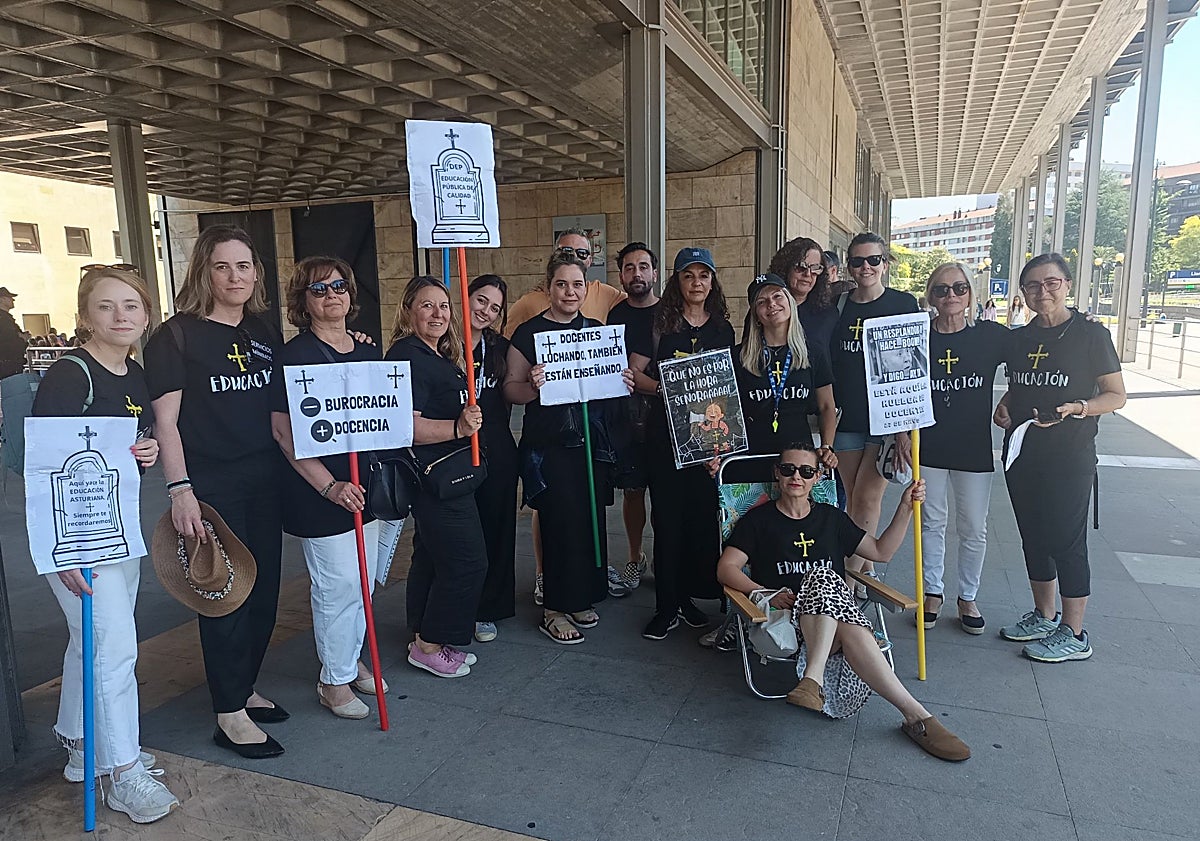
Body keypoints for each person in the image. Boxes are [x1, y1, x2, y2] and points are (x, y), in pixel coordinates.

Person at [33, 267, 181, 822]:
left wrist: (145, 452)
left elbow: (123, 450)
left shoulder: (133, 374)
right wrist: (64, 551)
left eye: (131, 306)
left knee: (90, 643)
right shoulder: (69, 376)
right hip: (77, 540)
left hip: (117, 528)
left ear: (146, 315)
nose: (121, 316)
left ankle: (81, 743)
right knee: (114, 648)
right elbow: (46, 470)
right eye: (106, 306)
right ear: (84, 316)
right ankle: (123, 770)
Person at [716, 444, 970, 762]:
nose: (797, 476)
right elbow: (726, 568)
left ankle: (825, 683)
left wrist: (905, 508)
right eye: (788, 469)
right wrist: (764, 592)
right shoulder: (759, 521)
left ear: (817, 477)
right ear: (776, 474)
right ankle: (916, 716)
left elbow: (881, 552)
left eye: (806, 471)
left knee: (828, 588)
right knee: (825, 581)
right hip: (787, 621)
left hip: (833, 623)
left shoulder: (831, 518)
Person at [146, 225, 287, 759]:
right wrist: (180, 490)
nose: (234, 277)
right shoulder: (176, 336)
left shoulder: (263, 331)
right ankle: (228, 714)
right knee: (224, 592)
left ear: (256, 273)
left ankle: (243, 688)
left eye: (243, 266)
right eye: (222, 266)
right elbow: (166, 423)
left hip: (265, 477)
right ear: (203, 271)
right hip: (211, 483)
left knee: (264, 590)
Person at [270, 256, 401, 719]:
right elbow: (284, 432)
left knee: (363, 580)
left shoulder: (367, 351)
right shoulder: (293, 356)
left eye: (339, 286)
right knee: (338, 584)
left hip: (366, 485)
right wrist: (329, 486)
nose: (332, 295)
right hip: (321, 491)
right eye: (319, 289)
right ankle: (333, 680)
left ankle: (348, 659)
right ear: (302, 301)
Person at [994, 253, 1126, 662]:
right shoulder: (1019, 338)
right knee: (1033, 536)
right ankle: (1044, 615)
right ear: (1023, 292)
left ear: (1067, 284)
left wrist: (1080, 408)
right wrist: (1005, 405)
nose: (1043, 292)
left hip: (1070, 454)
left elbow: (1116, 395)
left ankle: (1074, 631)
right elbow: (1021, 385)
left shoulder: (1090, 334)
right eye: (1033, 285)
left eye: (1051, 283)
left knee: (1066, 540)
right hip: (1022, 451)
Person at [505, 253, 634, 644]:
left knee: (588, 520)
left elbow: (609, 388)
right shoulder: (528, 333)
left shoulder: (596, 331)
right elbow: (511, 389)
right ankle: (554, 609)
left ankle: (580, 598)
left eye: (577, 284)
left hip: (590, 444)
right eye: (561, 284)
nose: (569, 292)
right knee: (559, 523)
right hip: (550, 445)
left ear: (586, 288)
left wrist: (623, 380)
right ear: (549, 288)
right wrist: (533, 386)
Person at [629, 247, 735, 640]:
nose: (696, 283)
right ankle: (665, 606)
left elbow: (727, 387)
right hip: (665, 438)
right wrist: (669, 391)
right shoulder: (658, 323)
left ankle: (687, 598)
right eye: (688, 275)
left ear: (712, 281)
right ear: (677, 281)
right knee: (668, 520)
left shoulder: (722, 328)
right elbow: (634, 375)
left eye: (703, 275)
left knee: (700, 521)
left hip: (709, 439)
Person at [385, 277, 487, 677]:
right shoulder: (409, 357)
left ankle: (423, 633)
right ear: (409, 310)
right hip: (436, 480)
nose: (438, 313)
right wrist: (458, 428)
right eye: (427, 305)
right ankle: (429, 645)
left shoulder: (433, 353)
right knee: (467, 562)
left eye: (443, 306)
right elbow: (404, 427)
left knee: (431, 558)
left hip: (443, 476)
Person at [920, 264, 1009, 633]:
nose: (951, 296)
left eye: (959, 288)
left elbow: (1030, 354)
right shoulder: (918, 335)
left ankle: (968, 596)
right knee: (931, 521)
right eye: (941, 289)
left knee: (973, 526)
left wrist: (1011, 400)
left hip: (972, 447)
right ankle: (932, 591)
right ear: (931, 295)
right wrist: (900, 434)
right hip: (928, 444)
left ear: (971, 293)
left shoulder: (989, 335)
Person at [830, 233, 918, 584]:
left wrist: (905, 429)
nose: (865, 267)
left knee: (867, 498)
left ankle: (847, 584)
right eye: (857, 261)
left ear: (885, 263)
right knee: (853, 498)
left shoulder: (903, 304)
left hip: (887, 418)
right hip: (846, 417)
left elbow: (913, 368)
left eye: (873, 260)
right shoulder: (837, 305)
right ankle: (866, 569)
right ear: (849, 265)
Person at [605, 242, 660, 597]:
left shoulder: (669, 312)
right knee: (633, 491)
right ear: (621, 275)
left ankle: (664, 557)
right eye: (629, 267)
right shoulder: (615, 315)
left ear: (655, 272)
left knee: (666, 495)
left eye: (642, 266)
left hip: (664, 416)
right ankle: (634, 556)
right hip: (627, 418)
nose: (636, 273)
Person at [466, 274, 518, 643]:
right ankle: (457, 604)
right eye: (481, 300)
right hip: (453, 449)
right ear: (466, 296)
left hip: (497, 447)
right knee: (461, 533)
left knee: (497, 530)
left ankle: (489, 608)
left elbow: (514, 388)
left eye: (495, 308)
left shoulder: (500, 347)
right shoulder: (443, 342)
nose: (486, 311)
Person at [736, 273, 837, 461]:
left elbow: (827, 406)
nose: (771, 304)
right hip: (753, 457)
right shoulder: (739, 357)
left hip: (799, 461)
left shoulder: (813, 352)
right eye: (762, 302)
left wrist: (827, 446)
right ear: (756, 315)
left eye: (777, 296)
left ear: (790, 302)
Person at [503, 227, 626, 337]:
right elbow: (505, 343)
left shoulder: (605, 294)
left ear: (589, 261)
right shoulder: (527, 303)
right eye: (566, 251)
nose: (574, 257)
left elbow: (635, 305)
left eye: (582, 253)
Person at [770, 238, 838, 373]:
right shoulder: (767, 311)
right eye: (801, 267)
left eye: (815, 268)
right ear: (786, 268)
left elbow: (836, 363)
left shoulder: (829, 314)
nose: (808, 274)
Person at [0, 286, 28, 379]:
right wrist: (22, 339)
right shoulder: (4, 320)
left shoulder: (6, 319)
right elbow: (9, 342)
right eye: (9, 297)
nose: (13, 300)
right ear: (2, 299)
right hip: (8, 365)